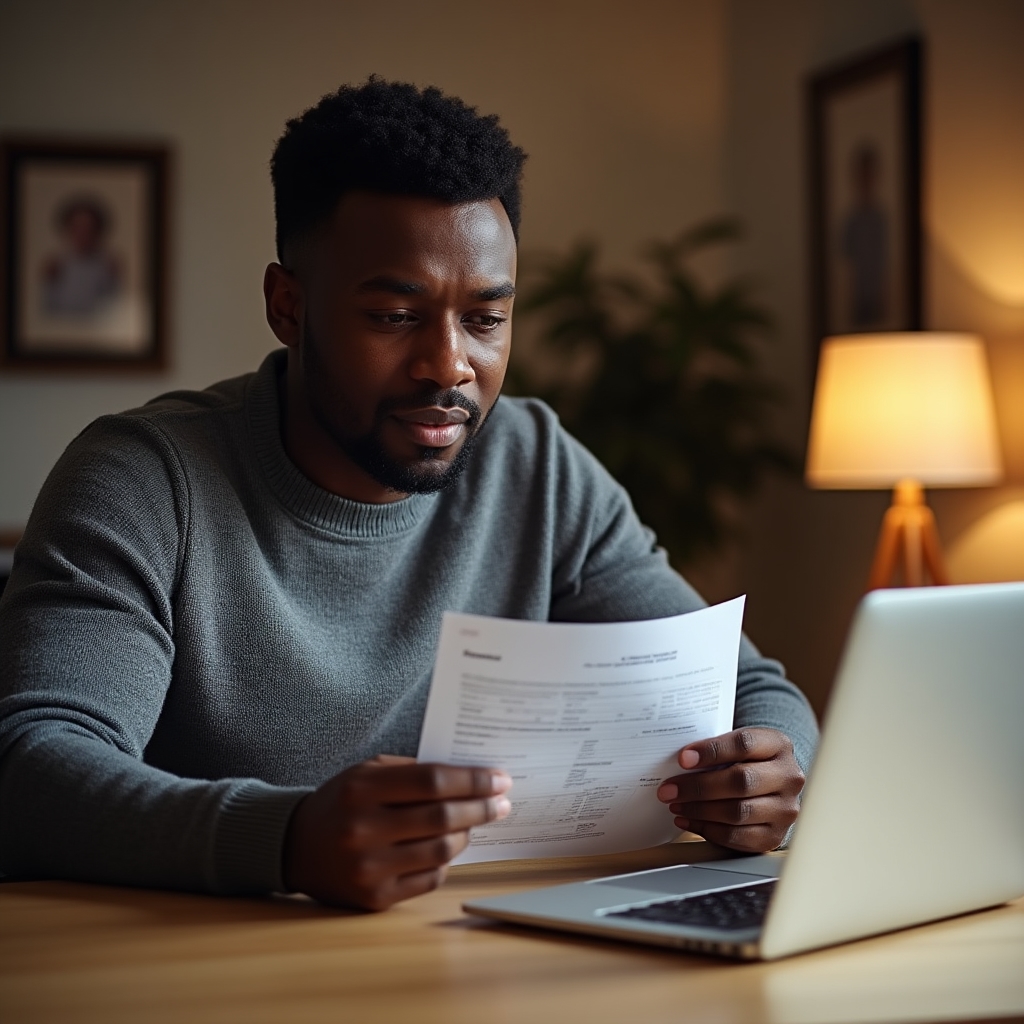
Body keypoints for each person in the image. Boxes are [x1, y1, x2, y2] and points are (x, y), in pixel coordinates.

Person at [0, 79, 817, 912]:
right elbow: (31, 767)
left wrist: (771, 769)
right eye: (396, 316)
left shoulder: (535, 465)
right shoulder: (144, 480)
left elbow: (751, 689)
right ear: (289, 306)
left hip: (470, 959)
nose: (450, 365)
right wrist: (284, 840)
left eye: (485, 320)